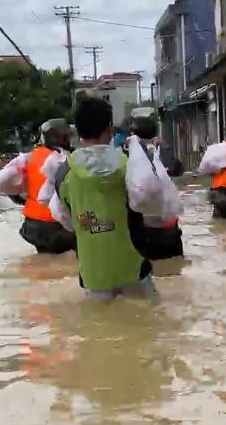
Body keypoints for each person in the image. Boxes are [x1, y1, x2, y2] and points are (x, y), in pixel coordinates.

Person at [54, 97, 155, 298]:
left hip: (93, 274)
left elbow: (64, 218)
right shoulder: (129, 165)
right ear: (109, 129)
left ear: (78, 131)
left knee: (98, 326)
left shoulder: (63, 173)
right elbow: (149, 203)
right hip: (133, 268)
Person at [124, 112, 184, 260]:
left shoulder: (127, 155)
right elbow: (179, 169)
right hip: (169, 229)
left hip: (143, 229)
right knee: (174, 272)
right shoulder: (161, 152)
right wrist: (166, 148)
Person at [17, 119, 78, 254]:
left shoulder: (28, 157)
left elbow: (1, 182)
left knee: (45, 261)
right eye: (67, 137)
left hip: (33, 226)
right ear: (59, 138)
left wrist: (21, 199)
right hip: (58, 226)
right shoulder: (68, 159)